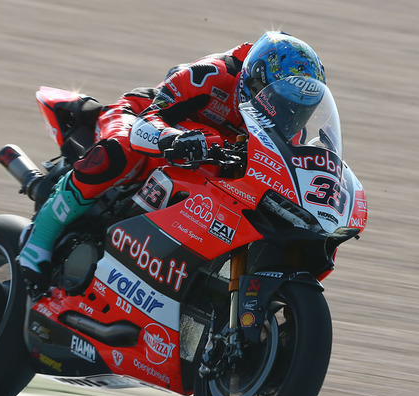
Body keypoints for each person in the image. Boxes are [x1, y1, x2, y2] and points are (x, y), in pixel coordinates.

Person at [17, 31, 326, 287]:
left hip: (208, 162)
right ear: (256, 83)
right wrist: (174, 140)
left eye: (301, 111)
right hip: (139, 118)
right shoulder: (212, 75)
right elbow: (146, 122)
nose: (290, 116)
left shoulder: (288, 128)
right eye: (282, 103)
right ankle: (38, 241)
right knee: (118, 151)